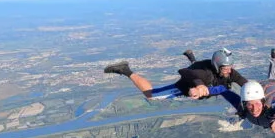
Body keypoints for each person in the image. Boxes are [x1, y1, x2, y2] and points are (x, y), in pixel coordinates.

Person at [103, 48, 247, 100]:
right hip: (185, 86)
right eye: (225, 67)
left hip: (200, 76)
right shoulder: (205, 73)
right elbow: (184, 72)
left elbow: (243, 82)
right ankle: (125, 70)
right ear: (217, 65)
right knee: (151, 95)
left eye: (230, 66)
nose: (229, 70)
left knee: (197, 71)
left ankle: (191, 57)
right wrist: (199, 85)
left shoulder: (230, 73)